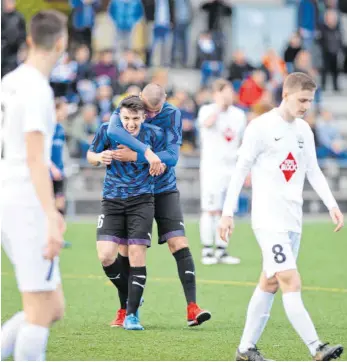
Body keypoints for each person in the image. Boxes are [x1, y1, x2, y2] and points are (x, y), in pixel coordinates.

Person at [218, 72, 344, 361]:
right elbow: (240, 171)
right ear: (285, 95)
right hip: (268, 221)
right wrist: (227, 213)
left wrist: (331, 204)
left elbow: (313, 170)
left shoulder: (304, 131)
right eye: (302, 100)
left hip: (292, 221)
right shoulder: (260, 128)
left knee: (270, 282)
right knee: (290, 279)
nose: (306, 106)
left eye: (310, 101)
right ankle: (317, 347)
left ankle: (245, 350)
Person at [107, 83, 211, 327]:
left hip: (164, 188)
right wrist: (149, 154)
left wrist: (136, 156)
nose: (151, 115)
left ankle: (192, 308)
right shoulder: (129, 106)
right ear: (140, 98)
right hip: (134, 191)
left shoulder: (173, 114)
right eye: (148, 111)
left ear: (165, 100)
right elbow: (113, 130)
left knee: (179, 242)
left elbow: (173, 157)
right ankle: (125, 309)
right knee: (127, 250)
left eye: (156, 110)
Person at [1, 10, 68, 361]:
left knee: (52, 305)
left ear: (29, 39)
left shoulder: (9, 81)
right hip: (24, 201)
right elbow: (33, 158)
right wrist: (51, 214)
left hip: (8, 193)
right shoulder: (37, 89)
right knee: (40, 311)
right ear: (62, 42)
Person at [87, 96, 165, 330]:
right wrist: (100, 157)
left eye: (135, 119)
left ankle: (131, 315)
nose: (131, 124)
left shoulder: (152, 134)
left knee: (135, 253)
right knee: (106, 256)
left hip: (141, 200)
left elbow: (164, 163)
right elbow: (90, 155)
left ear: (144, 117)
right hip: (112, 200)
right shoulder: (107, 130)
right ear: (119, 117)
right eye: (126, 119)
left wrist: (150, 161)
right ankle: (132, 295)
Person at [198, 79, 246, 265]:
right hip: (212, 167)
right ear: (216, 94)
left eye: (230, 92)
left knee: (227, 210)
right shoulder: (207, 110)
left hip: (232, 167)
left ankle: (222, 249)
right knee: (210, 209)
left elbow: (240, 140)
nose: (228, 96)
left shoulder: (239, 115)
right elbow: (207, 124)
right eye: (224, 92)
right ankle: (207, 250)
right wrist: (219, 107)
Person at [51, 97, 68, 216]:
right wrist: (52, 168)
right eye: (64, 109)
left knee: (60, 207)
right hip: (48, 173)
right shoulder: (47, 128)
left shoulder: (61, 129)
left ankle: (57, 233)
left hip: (59, 173)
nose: (66, 112)